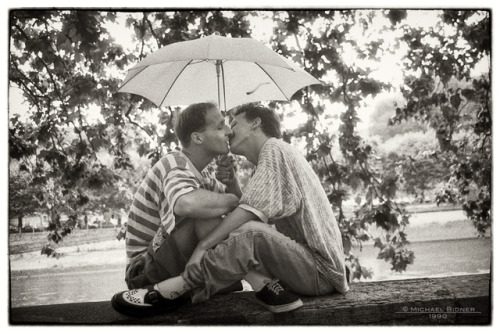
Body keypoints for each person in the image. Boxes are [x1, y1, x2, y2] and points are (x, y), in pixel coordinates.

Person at [112, 104, 348, 316]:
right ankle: (261, 283)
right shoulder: (176, 163)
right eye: (223, 126)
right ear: (197, 137)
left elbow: (245, 211)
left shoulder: (274, 150)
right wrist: (232, 192)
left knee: (248, 229)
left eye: (233, 123)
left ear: (256, 123)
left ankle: (173, 288)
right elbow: (192, 204)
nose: (229, 131)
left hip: (317, 270)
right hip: (143, 270)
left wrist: (205, 244)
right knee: (216, 218)